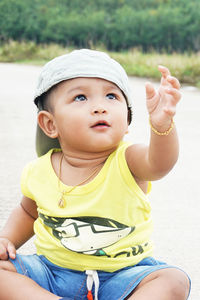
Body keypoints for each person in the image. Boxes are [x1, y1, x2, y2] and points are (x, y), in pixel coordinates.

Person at [0, 49, 190, 300]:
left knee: (173, 280)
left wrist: (162, 126)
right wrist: (6, 239)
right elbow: (27, 211)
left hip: (124, 276)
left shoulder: (128, 160)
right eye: (80, 98)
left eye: (111, 96)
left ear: (128, 119)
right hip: (51, 275)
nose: (100, 107)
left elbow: (159, 164)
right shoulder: (39, 171)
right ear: (50, 124)